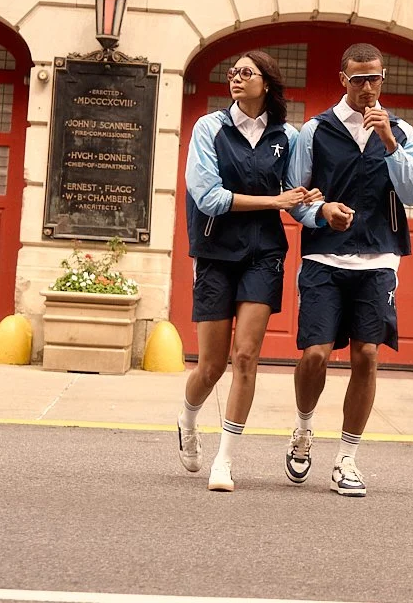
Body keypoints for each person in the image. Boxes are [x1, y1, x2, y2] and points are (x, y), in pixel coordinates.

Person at [285, 42, 413, 497]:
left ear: (383, 79)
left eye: (375, 79)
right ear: (343, 80)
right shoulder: (315, 130)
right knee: (315, 354)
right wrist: (322, 210)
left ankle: (347, 457)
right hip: (324, 259)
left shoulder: (402, 132)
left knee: (367, 354)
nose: (368, 88)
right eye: (359, 79)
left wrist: (389, 142)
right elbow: (297, 192)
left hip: (379, 259)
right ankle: (304, 429)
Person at [178, 50, 321, 493]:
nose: (235, 78)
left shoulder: (288, 137)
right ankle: (187, 418)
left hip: (264, 255)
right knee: (212, 366)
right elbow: (209, 197)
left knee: (246, 356)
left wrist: (319, 207)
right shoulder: (209, 128)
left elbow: (297, 200)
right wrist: (275, 202)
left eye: (246, 72)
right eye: (232, 72)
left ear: (267, 84)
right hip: (216, 252)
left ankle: (225, 460)